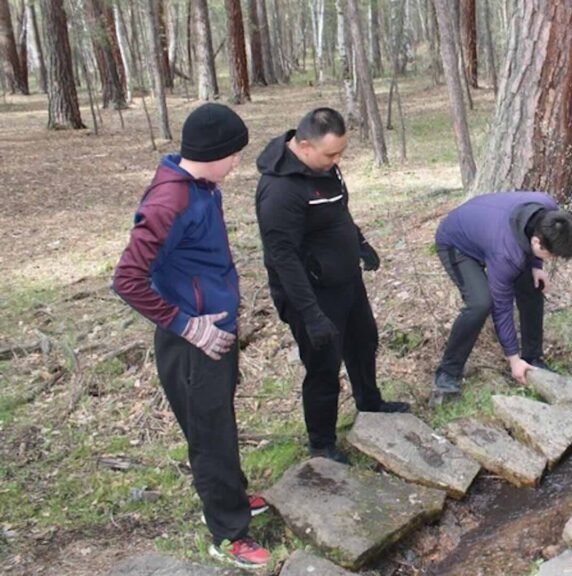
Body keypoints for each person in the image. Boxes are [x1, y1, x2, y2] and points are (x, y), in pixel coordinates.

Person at [112, 103, 270, 569]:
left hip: (215, 327)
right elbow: (127, 279)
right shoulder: (170, 201)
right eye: (235, 154)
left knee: (219, 419)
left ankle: (232, 497)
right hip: (192, 340)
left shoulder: (203, 186)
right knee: (209, 433)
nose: (238, 162)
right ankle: (227, 532)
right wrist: (186, 325)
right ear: (215, 152)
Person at [255, 107, 409, 464]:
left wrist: (360, 243)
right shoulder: (279, 191)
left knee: (363, 341)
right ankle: (322, 443)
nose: (337, 160)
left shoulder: (323, 168)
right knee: (324, 365)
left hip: (346, 280)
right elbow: (283, 258)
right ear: (304, 145)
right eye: (331, 154)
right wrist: (311, 316)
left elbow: (338, 212)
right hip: (310, 292)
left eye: (340, 152)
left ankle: (370, 404)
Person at [430, 192, 572, 407]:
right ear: (537, 243)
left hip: (488, 228)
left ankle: (532, 357)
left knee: (533, 285)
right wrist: (512, 359)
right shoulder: (506, 254)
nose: (553, 259)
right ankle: (447, 374)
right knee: (481, 303)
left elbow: (534, 240)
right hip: (457, 243)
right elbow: (502, 308)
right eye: (552, 255)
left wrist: (537, 267)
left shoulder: (549, 211)